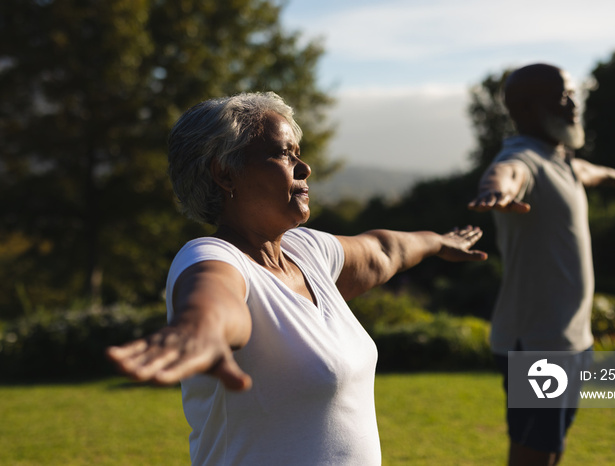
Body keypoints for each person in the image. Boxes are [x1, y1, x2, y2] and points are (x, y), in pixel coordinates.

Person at [107, 92, 488, 465]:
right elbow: (215, 299)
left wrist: (439, 241)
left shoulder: (308, 252)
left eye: (298, 153)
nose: (303, 168)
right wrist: (200, 329)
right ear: (225, 173)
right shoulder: (213, 256)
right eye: (283, 153)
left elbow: (383, 251)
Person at [467, 64, 615, 466]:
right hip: (537, 345)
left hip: (572, 339)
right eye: (563, 97)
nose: (574, 105)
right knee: (533, 454)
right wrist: (496, 191)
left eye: (573, 94)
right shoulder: (523, 157)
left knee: (552, 447)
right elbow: (507, 174)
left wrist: (613, 175)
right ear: (526, 108)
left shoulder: (560, 161)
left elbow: (585, 171)